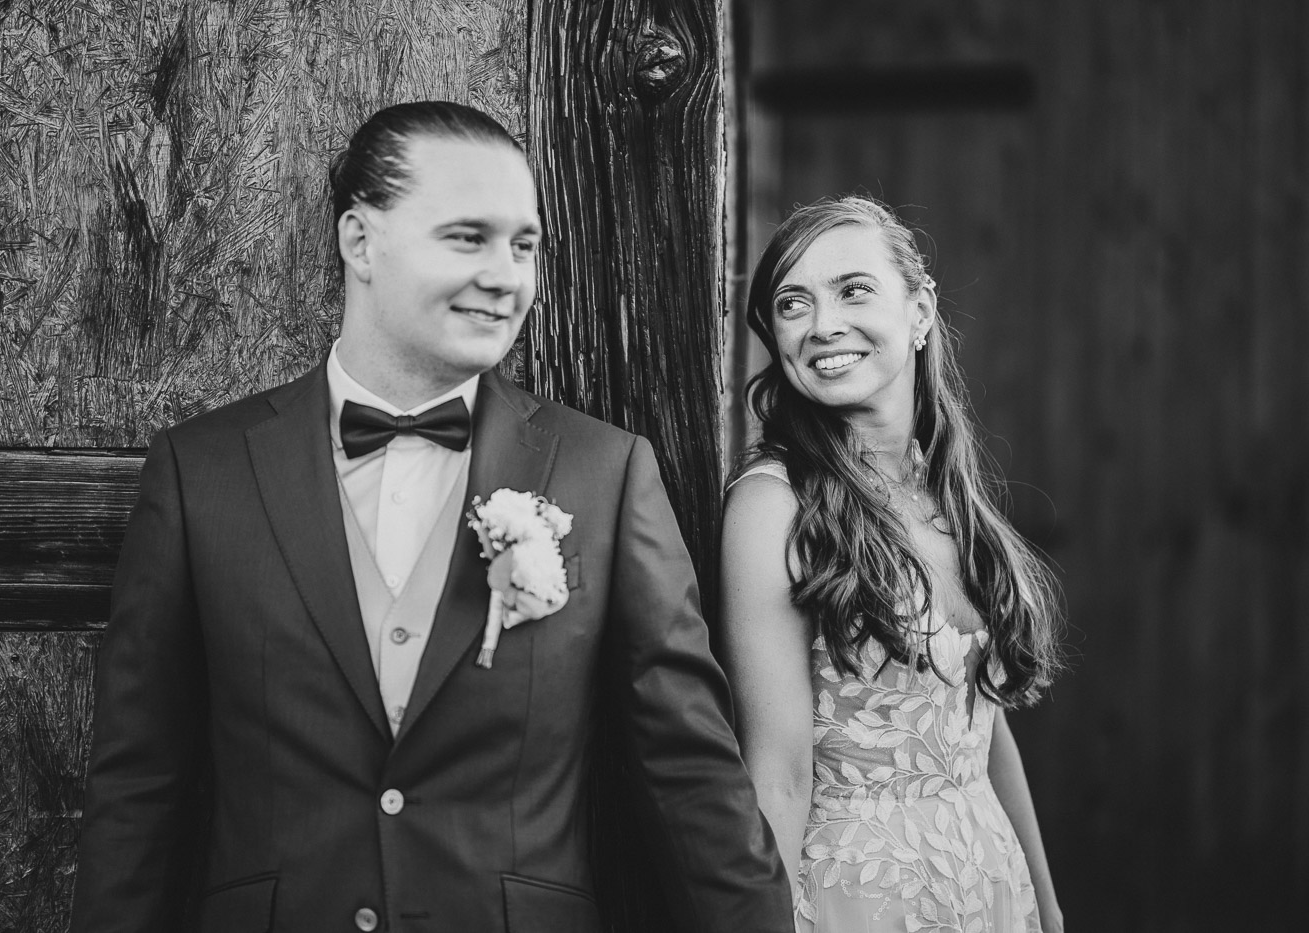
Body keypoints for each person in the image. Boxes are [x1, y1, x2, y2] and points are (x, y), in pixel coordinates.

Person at [70, 100, 792, 933]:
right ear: (359, 240)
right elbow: (140, 786)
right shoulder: (203, 471)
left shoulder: (603, 471)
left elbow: (690, 775)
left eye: (524, 245)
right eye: (467, 237)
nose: (506, 276)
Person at [719, 195, 1064, 933]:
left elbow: (980, 724)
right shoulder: (774, 506)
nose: (823, 324)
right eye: (792, 303)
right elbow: (778, 773)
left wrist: (1045, 900)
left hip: (989, 883)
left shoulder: (944, 486)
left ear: (920, 311)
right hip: (860, 895)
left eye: (853, 290)